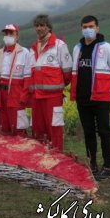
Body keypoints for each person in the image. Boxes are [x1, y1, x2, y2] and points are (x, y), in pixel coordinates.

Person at [70, 15, 110, 179]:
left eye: (91, 26)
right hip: (82, 98)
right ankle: (91, 164)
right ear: (81, 28)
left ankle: (107, 167)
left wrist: (104, 86)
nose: (88, 29)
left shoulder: (107, 48)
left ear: (97, 28)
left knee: (104, 131)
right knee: (88, 132)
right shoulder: (77, 48)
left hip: (100, 98)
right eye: (85, 26)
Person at [29, 14, 72, 151]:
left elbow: (67, 72)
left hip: (53, 97)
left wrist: (57, 86)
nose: (39, 28)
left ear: (48, 27)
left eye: (42, 25)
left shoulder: (59, 45)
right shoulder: (34, 47)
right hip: (37, 97)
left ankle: (57, 158)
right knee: (38, 129)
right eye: (37, 26)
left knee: (54, 128)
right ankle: (40, 159)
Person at [0, 24, 31, 136]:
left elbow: (28, 77)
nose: (8, 36)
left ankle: (22, 151)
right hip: (1, 96)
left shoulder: (24, 52)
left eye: (11, 33)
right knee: (2, 128)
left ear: (17, 36)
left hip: (16, 94)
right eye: (6, 33)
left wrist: (24, 96)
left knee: (18, 127)